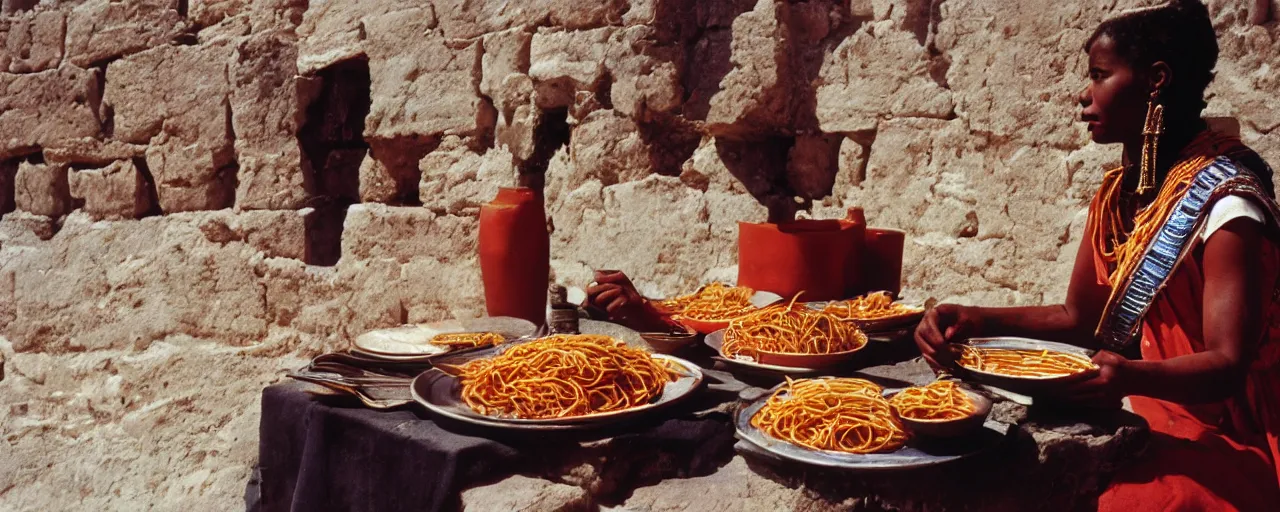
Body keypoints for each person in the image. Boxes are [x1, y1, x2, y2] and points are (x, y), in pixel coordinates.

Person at [914, 1, 1280, 509]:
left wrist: (1129, 378)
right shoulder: (1117, 198)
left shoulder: (1227, 204)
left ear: (1156, 80)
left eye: (1100, 76)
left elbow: (1227, 364)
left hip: (1229, 424)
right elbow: (1079, 319)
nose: (1083, 95)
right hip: (1147, 399)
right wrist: (974, 318)